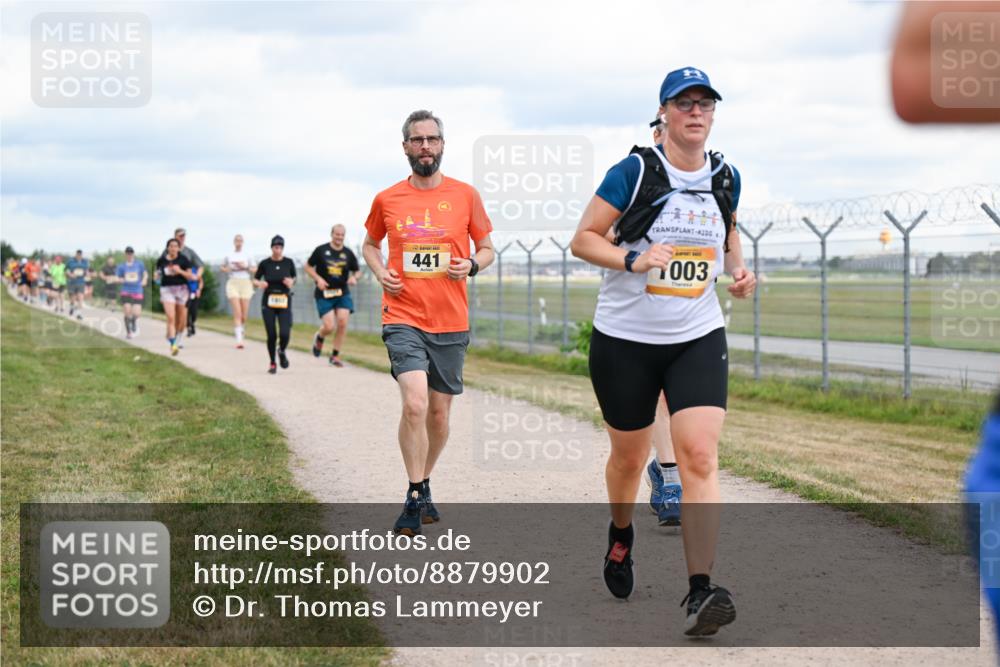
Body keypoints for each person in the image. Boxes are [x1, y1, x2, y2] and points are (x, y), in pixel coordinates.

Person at [570, 66, 756, 637]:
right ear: (665, 113)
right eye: (685, 103)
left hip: (697, 333)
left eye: (705, 103)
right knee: (628, 459)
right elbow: (583, 239)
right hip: (625, 339)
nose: (696, 112)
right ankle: (621, 533)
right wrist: (633, 260)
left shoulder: (726, 176)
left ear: (713, 114)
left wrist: (739, 269)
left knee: (698, 455)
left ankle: (701, 590)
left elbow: (726, 231)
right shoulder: (635, 171)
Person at [362, 109, 495, 536]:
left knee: (438, 415)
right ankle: (414, 492)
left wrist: (471, 265)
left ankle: (424, 481)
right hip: (402, 315)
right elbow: (370, 244)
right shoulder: (387, 199)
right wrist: (380, 271)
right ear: (405, 147)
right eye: (417, 140)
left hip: (451, 320)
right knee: (415, 402)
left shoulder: (465, 195)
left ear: (442, 145)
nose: (425, 147)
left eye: (432, 139)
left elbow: (489, 248)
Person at [306, 224, 360, 367]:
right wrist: (318, 279)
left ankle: (335, 356)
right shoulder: (321, 250)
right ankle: (320, 336)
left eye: (342, 235)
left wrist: (354, 278)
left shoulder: (348, 253)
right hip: (324, 293)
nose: (339, 237)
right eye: (337, 234)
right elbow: (308, 266)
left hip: (342, 292)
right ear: (332, 234)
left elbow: (357, 270)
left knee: (342, 322)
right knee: (329, 326)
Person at [254, 235, 296, 374]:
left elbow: (294, 278)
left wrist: (291, 282)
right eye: (275, 247)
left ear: (282, 248)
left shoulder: (289, 262)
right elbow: (255, 279)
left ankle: (281, 350)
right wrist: (261, 283)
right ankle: (272, 363)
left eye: (280, 247)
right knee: (271, 334)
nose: (277, 250)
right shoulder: (265, 263)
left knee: (285, 333)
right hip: (269, 302)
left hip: (284, 300)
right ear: (272, 248)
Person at [155, 238, 195, 355]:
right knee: (171, 317)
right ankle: (173, 345)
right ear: (168, 248)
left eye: (175, 246)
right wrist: (156, 276)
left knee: (181, 320)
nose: (173, 248)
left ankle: (175, 337)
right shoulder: (161, 260)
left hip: (182, 290)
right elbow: (157, 274)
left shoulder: (184, 260)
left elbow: (191, 276)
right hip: (167, 290)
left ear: (178, 248)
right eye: (171, 246)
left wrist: (180, 271)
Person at [221, 234, 255, 349]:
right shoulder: (229, 255)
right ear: (234, 242)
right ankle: (239, 340)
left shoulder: (248, 255)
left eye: (240, 240)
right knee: (237, 312)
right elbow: (222, 267)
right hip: (233, 282)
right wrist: (228, 269)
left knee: (244, 315)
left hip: (245, 283)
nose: (238, 242)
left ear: (243, 242)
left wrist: (244, 266)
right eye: (236, 240)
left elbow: (254, 269)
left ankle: (241, 328)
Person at [116, 246, 147, 339]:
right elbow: (117, 277)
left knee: (136, 313)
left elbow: (145, 273)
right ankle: (129, 332)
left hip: (137, 290)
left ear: (133, 254)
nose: (129, 255)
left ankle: (134, 322)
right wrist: (120, 280)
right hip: (126, 290)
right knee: (127, 311)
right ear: (125, 254)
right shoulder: (121, 266)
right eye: (128, 253)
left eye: (131, 253)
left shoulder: (139, 264)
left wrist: (144, 280)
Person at [65, 250, 89, 318]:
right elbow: (66, 270)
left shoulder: (85, 261)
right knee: (72, 298)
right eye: (78, 255)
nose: (79, 256)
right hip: (72, 282)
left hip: (81, 282)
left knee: (80, 297)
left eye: (80, 255)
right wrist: (70, 274)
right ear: (76, 255)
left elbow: (86, 270)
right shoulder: (70, 261)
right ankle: (72, 307)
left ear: (81, 255)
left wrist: (87, 273)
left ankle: (79, 314)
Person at [186, 264, 204, 337]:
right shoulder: (182, 268)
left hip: (194, 293)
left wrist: (199, 290)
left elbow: (201, 281)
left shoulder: (195, 270)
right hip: (185, 294)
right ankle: (189, 328)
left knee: (194, 312)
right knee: (186, 312)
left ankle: (192, 323)